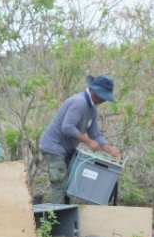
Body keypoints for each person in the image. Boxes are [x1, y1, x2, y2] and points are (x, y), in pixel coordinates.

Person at [37, 75, 121, 203]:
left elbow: (95, 135)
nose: (104, 100)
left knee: (69, 184)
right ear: (95, 92)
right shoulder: (79, 102)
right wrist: (88, 142)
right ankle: (56, 220)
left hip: (66, 149)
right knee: (59, 183)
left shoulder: (92, 110)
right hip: (53, 146)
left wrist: (110, 150)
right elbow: (67, 127)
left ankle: (64, 215)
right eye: (104, 96)